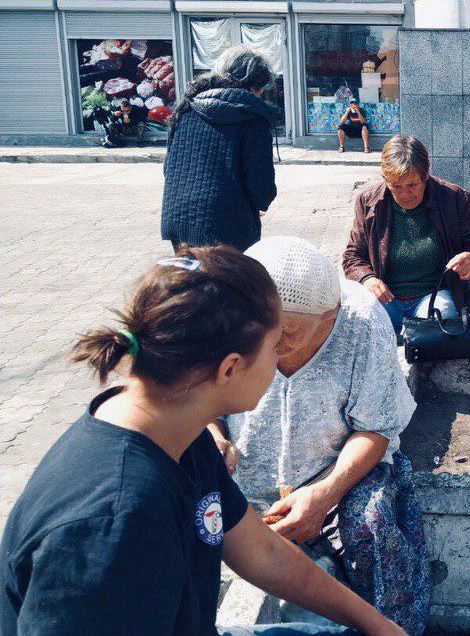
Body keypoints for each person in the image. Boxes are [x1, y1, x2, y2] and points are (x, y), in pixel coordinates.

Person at [0, 246, 404, 636]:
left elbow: (263, 553)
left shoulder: (178, 433)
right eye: (274, 345)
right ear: (230, 368)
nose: (281, 360)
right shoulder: (116, 525)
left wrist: (376, 623)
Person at [211, 236, 429, 634]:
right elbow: (200, 397)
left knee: (373, 526)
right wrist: (212, 432)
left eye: (288, 334)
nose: (272, 349)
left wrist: (325, 493)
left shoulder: (361, 322)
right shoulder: (231, 317)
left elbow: (375, 429)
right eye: (264, 335)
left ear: (332, 317)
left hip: (334, 473)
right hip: (243, 481)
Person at [343, 135, 470, 334]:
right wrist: (368, 279)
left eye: (412, 185)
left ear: (426, 175)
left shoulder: (455, 199)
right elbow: (352, 257)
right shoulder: (368, 202)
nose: (405, 195)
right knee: (356, 327)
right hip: (386, 300)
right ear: (385, 179)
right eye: (396, 186)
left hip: (434, 297)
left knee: (441, 323)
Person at [161, 46, 278, 252]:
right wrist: (261, 203)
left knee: (193, 281)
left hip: (179, 221)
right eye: (261, 87)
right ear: (254, 86)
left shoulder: (186, 107)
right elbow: (261, 185)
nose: (261, 94)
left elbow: (168, 168)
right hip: (228, 227)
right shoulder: (252, 118)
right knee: (227, 283)